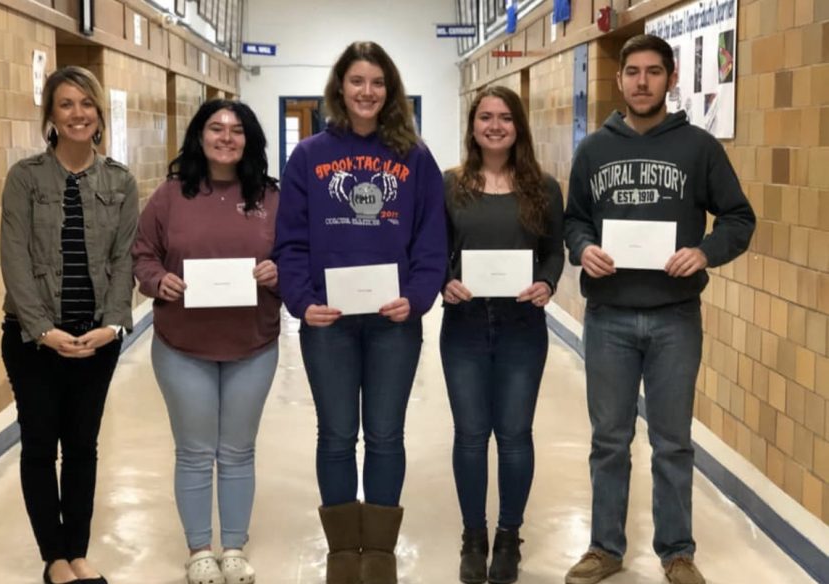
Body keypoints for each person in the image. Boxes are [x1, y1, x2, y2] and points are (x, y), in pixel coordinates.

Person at [563, 34, 755, 584]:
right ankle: (606, 547)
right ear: (620, 80)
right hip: (608, 319)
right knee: (609, 441)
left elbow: (739, 220)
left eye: (653, 72)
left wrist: (704, 251)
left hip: (675, 317)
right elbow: (574, 218)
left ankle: (676, 552)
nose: (641, 81)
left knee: (672, 442)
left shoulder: (699, 148)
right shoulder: (594, 149)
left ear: (671, 79)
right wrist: (582, 248)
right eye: (632, 72)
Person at [273, 41, 447, 584]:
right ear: (340, 89)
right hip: (329, 324)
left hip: (395, 321)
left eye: (377, 83)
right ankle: (343, 555)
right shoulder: (308, 157)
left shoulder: (415, 158)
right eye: (357, 82)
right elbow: (290, 243)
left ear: (389, 91)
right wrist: (303, 302)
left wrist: (416, 299)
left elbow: (431, 243)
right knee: (336, 435)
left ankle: (381, 555)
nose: (367, 92)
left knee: (386, 436)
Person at [132, 99, 280, 584]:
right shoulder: (172, 195)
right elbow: (143, 255)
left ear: (249, 140)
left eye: (236, 130)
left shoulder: (270, 198)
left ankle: (233, 547)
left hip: (252, 345)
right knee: (195, 450)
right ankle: (200, 550)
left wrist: (277, 271)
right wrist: (158, 282)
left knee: (238, 450)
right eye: (215, 128)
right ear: (199, 136)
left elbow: (295, 258)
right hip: (182, 345)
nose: (225, 137)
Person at [0, 66, 137, 584]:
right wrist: (41, 330)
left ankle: (78, 551)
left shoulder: (120, 181)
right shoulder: (26, 179)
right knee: (40, 446)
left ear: (99, 113)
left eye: (87, 103)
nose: (78, 113)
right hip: (34, 341)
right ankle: (54, 559)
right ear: (51, 116)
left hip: (97, 339)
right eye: (66, 104)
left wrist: (114, 324)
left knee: (82, 447)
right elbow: (13, 259)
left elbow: (124, 259)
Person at [440, 86, 564, 584]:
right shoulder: (450, 185)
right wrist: (441, 282)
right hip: (465, 325)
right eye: (486, 117)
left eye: (505, 118)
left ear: (519, 127)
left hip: (521, 327)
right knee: (471, 436)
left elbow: (554, 251)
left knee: (514, 436)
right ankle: (474, 536)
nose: (495, 126)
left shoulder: (544, 186)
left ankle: (509, 536)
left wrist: (547, 283)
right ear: (472, 125)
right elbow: (433, 250)